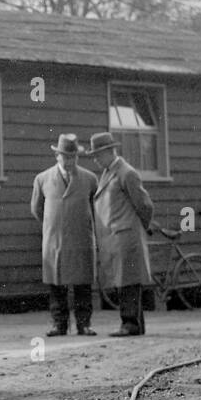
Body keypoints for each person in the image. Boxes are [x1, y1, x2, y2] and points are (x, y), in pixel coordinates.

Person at [85, 131, 154, 337]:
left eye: (98, 154)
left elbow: (145, 205)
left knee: (128, 281)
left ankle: (130, 324)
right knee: (123, 280)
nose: (95, 159)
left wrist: (136, 228)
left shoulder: (126, 173)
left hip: (125, 236)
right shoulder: (109, 172)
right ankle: (134, 324)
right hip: (115, 237)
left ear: (109, 151)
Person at [31, 133, 97, 336]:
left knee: (82, 284)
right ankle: (59, 324)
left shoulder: (89, 179)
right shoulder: (42, 179)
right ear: (57, 156)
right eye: (65, 156)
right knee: (56, 283)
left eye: (73, 157)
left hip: (81, 238)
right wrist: (53, 224)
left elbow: (96, 208)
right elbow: (36, 209)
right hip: (55, 240)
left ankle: (83, 324)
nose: (69, 161)